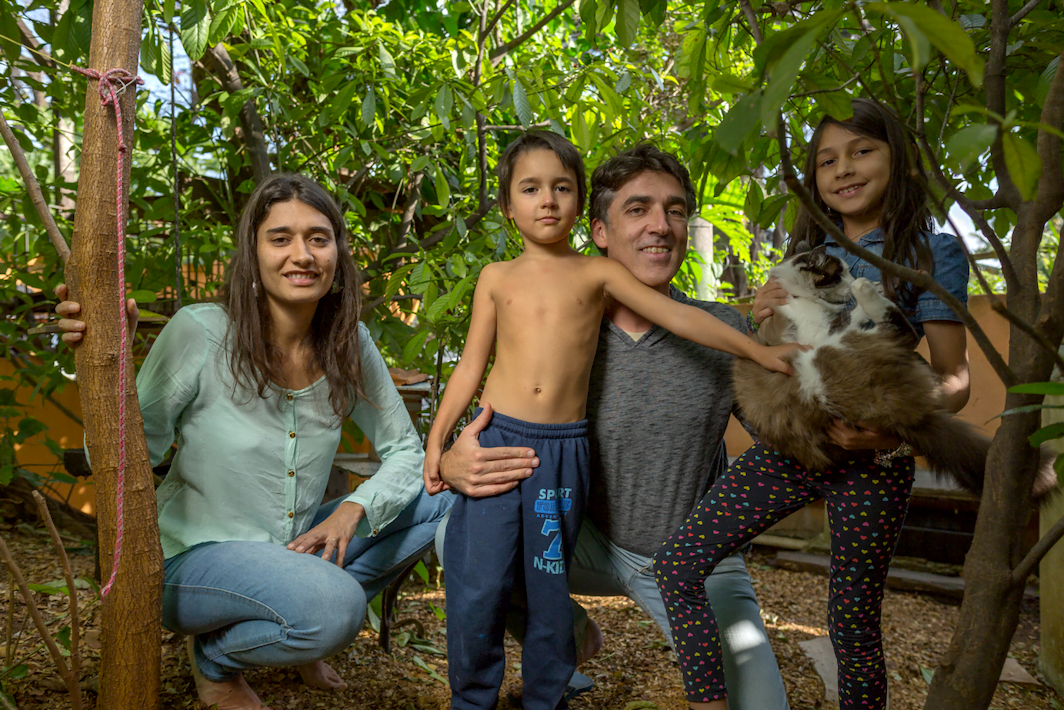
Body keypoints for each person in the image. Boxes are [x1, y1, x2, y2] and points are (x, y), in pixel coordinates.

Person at [55, 174, 452, 710]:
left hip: (293, 545)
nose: (302, 254)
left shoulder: (347, 341)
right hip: (190, 557)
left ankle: (289, 614)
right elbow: (126, 456)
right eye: (280, 238)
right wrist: (110, 359)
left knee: (447, 493)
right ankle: (217, 660)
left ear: (337, 251)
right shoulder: (201, 331)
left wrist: (354, 507)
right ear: (253, 252)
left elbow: (407, 451)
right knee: (337, 610)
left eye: (318, 237)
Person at [429, 141, 794, 710]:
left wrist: (769, 348)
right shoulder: (527, 292)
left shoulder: (693, 319)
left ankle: (555, 668)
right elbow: (479, 370)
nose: (661, 226)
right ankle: (520, 666)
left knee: (758, 704)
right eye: (638, 209)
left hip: (683, 548)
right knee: (462, 548)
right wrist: (445, 450)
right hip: (579, 524)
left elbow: (784, 428)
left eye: (675, 210)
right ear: (599, 228)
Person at [655, 98, 971, 710]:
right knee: (679, 564)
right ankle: (709, 702)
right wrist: (761, 316)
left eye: (861, 151)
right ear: (814, 179)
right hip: (794, 441)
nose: (843, 169)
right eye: (827, 160)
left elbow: (954, 379)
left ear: (899, 161)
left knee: (851, 625)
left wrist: (891, 436)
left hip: (873, 456)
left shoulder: (930, 253)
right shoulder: (803, 248)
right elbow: (769, 348)